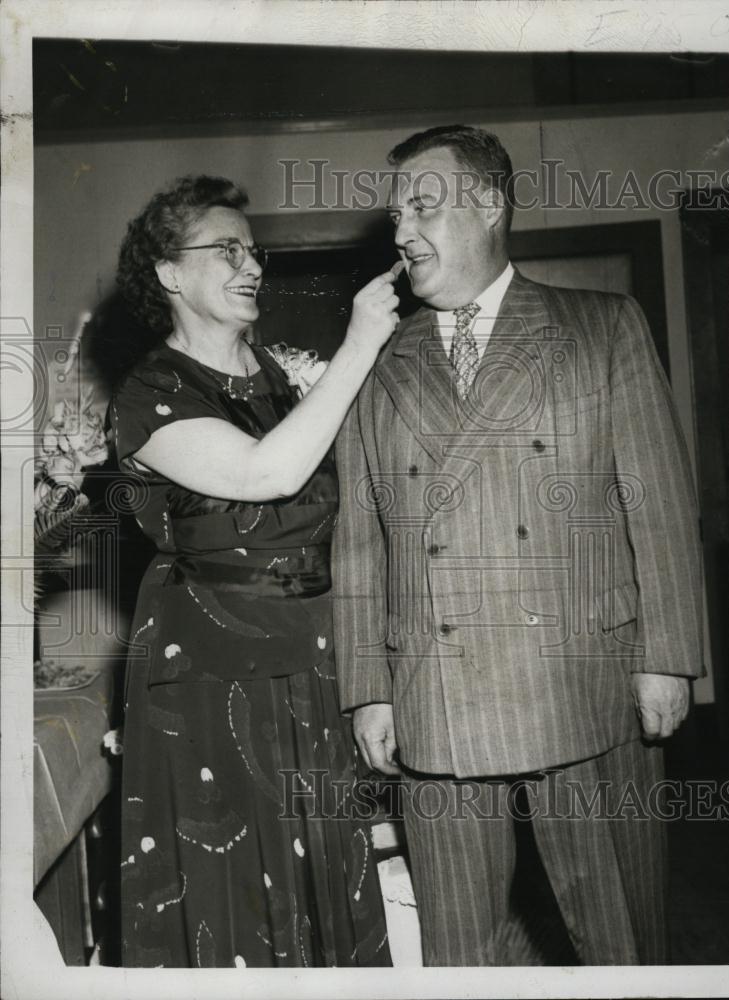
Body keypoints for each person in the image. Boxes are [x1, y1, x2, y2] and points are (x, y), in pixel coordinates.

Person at [332, 125, 704, 966]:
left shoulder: (601, 326)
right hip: (433, 692)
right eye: (395, 215)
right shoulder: (376, 361)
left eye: (423, 206)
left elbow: (657, 504)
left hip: (585, 680)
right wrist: (367, 689)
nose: (401, 232)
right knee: (459, 947)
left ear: (490, 206)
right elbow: (359, 541)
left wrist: (669, 657)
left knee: (619, 937)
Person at [109, 174, 399, 967]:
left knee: (323, 874)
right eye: (227, 250)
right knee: (230, 890)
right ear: (169, 274)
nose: (252, 265)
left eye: (254, 250)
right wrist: (360, 344)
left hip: (310, 658)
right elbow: (265, 474)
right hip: (211, 674)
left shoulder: (279, 375)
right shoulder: (151, 392)